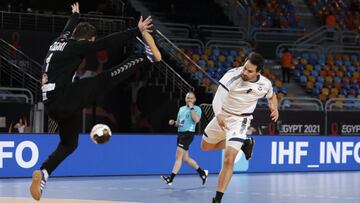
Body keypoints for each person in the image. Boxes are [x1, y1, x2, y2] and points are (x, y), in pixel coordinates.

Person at [30, 2, 161, 201]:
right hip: (65, 97)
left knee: (69, 144)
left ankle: (43, 173)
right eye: (91, 41)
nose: (92, 43)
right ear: (88, 39)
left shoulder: (60, 40)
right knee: (105, 80)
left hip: (53, 105)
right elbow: (105, 43)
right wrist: (137, 30)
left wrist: (74, 15)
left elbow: (67, 28)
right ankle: (144, 58)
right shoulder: (76, 46)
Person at [201, 52, 279, 203]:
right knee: (205, 147)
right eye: (245, 68)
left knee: (229, 159)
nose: (245, 72)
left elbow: (272, 96)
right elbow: (218, 98)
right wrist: (219, 115)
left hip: (241, 120)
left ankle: (217, 199)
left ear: (258, 72)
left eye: (250, 71)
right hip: (222, 114)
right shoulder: (232, 76)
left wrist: (274, 107)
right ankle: (244, 143)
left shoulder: (265, 84)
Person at [161, 92, 208, 186]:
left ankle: (171, 178)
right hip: (180, 134)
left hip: (188, 134)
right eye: (188, 98)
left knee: (178, 157)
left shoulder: (197, 108)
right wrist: (173, 123)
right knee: (185, 158)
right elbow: (179, 123)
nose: (189, 99)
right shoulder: (181, 109)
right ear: (185, 99)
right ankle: (202, 173)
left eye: (191, 98)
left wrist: (191, 108)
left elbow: (196, 120)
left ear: (194, 100)